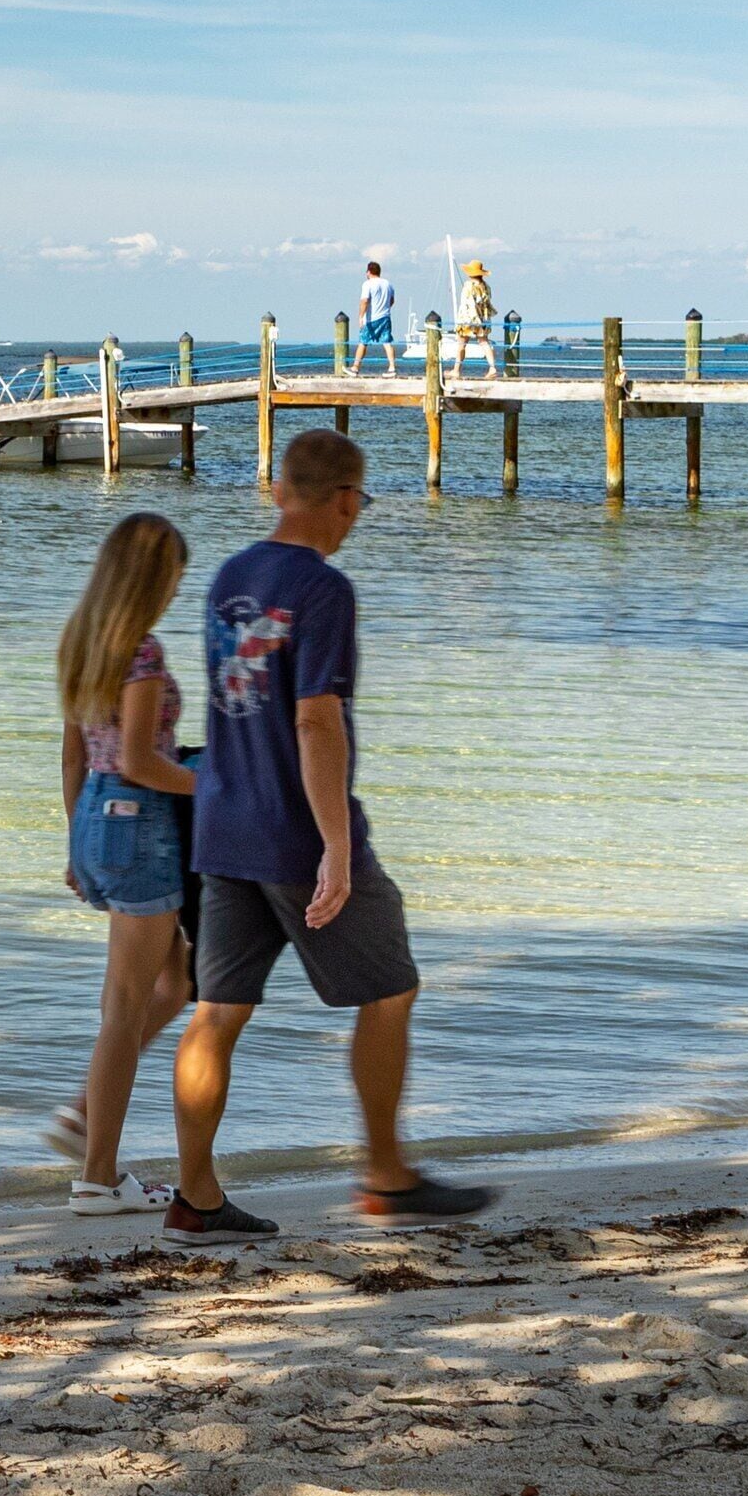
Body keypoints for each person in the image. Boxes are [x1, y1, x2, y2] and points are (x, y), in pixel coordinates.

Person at [166, 427, 493, 1243]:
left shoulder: (229, 577)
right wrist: (338, 847)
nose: (356, 517)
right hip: (293, 832)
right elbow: (315, 721)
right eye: (359, 503)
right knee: (390, 991)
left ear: (280, 490)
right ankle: (387, 1177)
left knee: (216, 1012)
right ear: (345, 500)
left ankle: (195, 1198)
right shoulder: (323, 589)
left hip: (219, 826)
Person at [45, 514, 200, 1215]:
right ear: (150, 580)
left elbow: (78, 756)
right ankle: (97, 1175)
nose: (175, 592)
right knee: (126, 1008)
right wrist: (219, 785)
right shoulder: (141, 654)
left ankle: (86, 1118)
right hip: (140, 826)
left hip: (98, 820)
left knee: (177, 981)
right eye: (173, 578)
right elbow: (140, 762)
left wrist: (76, 840)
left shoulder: (80, 642)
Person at [354, 262, 400, 375]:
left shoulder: (367, 284)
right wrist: (385, 308)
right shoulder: (388, 284)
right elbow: (392, 300)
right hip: (385, 317)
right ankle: (392, 367)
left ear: (368, 272)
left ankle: (355, 367)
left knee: (363, 342)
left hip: (371, 319)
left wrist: (361, 317)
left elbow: (364, 301)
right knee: (387, 342)